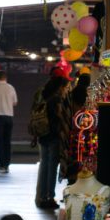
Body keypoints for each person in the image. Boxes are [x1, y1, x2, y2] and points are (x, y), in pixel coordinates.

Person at [34, 75, 68, 209]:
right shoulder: (56, 99)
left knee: (45, 166)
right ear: (60, 87)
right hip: (53, 136)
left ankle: (42, 196)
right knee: (52, 168)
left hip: (43, 135)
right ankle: (50, 197)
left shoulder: (44, 96)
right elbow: (60, 116)